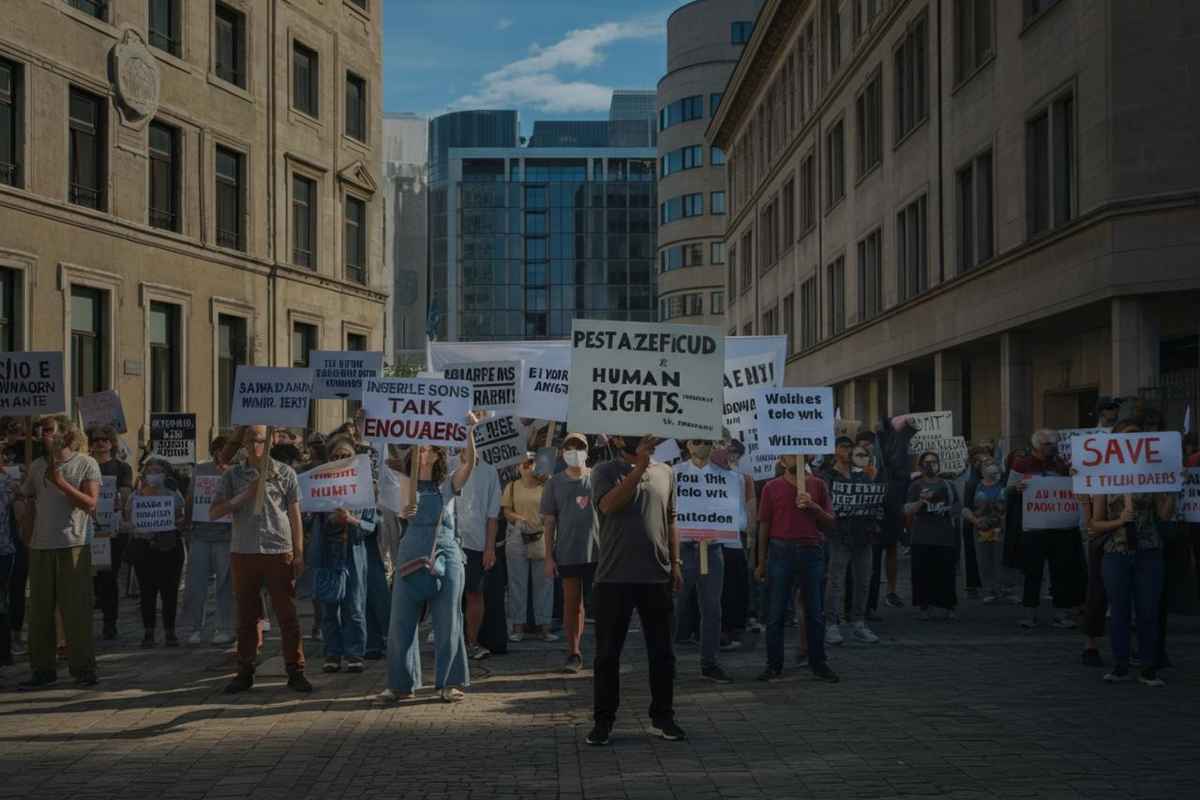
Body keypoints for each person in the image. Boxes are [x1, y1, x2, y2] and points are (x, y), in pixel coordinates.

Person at [587, 434, 684, 746]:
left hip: (656, 575)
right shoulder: (603, 470)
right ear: (617, 439)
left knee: (663, 653)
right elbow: (609, 505)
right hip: (614, 577)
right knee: (606, 656)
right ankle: (603, 722)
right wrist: (639, 467)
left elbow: (671, 519)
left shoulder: (666, 472)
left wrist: (676, 561)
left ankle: (663, 717)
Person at [377, 416, 479, 703]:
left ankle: (450, 682)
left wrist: (470, 430)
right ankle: (401, 684)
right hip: (410, 555)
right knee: (400, 622)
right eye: (418, 449)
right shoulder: (403, 481)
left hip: (445, 556)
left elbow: (469, 463)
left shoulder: (446, 485)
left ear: (437, 455)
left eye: (427, 449)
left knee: (448, 623)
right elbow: (395, 512)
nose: (422, 454)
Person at [212, 425, 311, 694]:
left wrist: (298, 552)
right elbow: (214, 511)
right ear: (244, 443)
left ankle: (295, 669)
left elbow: (294, 515)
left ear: (271, 441)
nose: (257, 446)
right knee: (246, 616)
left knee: (287, 614)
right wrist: (245, 495)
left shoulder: (284, 473)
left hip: (278, 549)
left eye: (261, 440)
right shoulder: (234, 475)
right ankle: (244, 670)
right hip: (244, 551)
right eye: (251, 441)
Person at [17, 415, 101, 688]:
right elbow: (29, 499)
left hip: (73, 545)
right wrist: (26, 535)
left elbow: (90, 503)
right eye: (41, 431)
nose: (44, 435)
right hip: (41, 546)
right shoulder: (37, 465)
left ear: (66, 434)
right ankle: (42, 669)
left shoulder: (85, 463)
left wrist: (61, 482)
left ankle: (83, 668)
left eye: (50, 430)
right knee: (39, 611)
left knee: (76, 610)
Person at [1088, 424, 1174, 686]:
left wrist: (1172, 487)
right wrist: (1118, 522)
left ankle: (1148, 668)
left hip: (1149, 551)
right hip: (1116, 552)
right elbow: (1094, 524)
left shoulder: (1152, 476)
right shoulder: (1105, 479)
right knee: (1120, 611)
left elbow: (1164, 514)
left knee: (1148, 611)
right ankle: (1120, 665)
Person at [755, 454, 839, 683]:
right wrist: (761, 561)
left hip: (811, 551)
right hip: (780, 551)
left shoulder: (818, 484)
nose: (796, 458)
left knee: (815, 611)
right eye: (791, 454)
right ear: (782, 460)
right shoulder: (771, 487)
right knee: (776, 613)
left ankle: (818, 663)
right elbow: (764, 525)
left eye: (800, 453)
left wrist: (813, 507)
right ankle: (773, 665)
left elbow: (830, 522)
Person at [671, 439, 734, 683]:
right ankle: (666, 661)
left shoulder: (725, 477)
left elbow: (730, 509)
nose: (701, 447)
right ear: (688, 446)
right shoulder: (675, 474)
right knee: (675, 606)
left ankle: (710, 663)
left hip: (713, 547)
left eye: (706, 442)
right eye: (697, 442)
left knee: (712, 608)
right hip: (683, 548)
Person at [1009, 430, 1086, 630]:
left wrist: (1074, 476)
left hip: (1059, 529)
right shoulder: (1021, 464)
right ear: (1036, 446)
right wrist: (1016, 488)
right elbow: (1006, 489)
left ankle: (1062, 613)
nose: (1051, 447)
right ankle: (1030, 614)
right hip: (1033, 529)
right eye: (1047, 444)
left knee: (1061, 571)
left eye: (1054, 444)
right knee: (1032, 572)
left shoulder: (1061, 464)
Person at [308, 436, 370, 674]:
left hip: (352, 555)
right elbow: (307, 520)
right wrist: (322, 517)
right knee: (328, 607)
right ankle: (332, 653)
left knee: (353, 607)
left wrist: (351, 520)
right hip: (327, 555)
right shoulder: (320, 487)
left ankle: (355, 654)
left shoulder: (364, 488)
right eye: (336, 456)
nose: (341, 460)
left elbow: (371, 526)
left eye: (346, 455)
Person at [542, 432, 598, 673]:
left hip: (599, 552)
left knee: (601, 605)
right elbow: (549, 522)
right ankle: (573, 651)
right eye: (570, 447)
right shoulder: (554, 482)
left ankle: (605, 650)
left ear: (587, 450)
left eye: (579, 447)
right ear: (562, 452)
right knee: (572, 603)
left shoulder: (598, 476)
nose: (574, 451)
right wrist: (548, 556)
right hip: (567, 551)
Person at [823, 437, 882, 644]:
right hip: (840, 535)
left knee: (863, 581)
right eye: (844, 447)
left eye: (851, 448)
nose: (848, 451)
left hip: (863, 535)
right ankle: (831, 623)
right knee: (836, 581)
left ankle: (858, 622)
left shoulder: (862, 476)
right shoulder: (828, 476)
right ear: (835, 450)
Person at [129, 455, 187, 647]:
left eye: (158, 472)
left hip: (169, 547)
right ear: (144, 474)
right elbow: (127, 518)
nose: (153, 475)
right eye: (150, 471)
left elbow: (181, 518)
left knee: (170, 592)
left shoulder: (174, 494)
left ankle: (170, 631)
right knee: (147, 592)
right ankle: (148, 632)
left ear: (165, 474)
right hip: (144, 548)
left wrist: (176, 523)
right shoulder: (135, 496)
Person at [183, 436, 235, 645]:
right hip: (200, 534)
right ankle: (195, 628)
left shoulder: (238, 471)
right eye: (223, 450)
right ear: (215, 451)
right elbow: (190, 498)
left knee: (224, 584)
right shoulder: (200, 469)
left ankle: (223, 627)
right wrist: (187, 522)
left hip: (227, 535)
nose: (225, 454)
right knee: (196, 584)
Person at [454, 441, 500, 660]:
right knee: (450, 595)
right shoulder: (448, 465)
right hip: (450, 540)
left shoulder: (490, 472)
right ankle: (451, 642)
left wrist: (489, 547)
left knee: (474, 592)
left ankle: (472, 641)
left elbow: (493, 515)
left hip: (476, 543)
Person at [503, 453, 555, 642]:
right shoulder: (511, 487)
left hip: (541, 537)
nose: (526, 465)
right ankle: (518, 627)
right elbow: (506, 511)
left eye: (530, 462)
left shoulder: (547, 487)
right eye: (522, 462)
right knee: (516, 584)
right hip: (518, 537)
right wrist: (519, 519)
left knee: (545, 584)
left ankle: (545, 627)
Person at [88, 425, 133, 640]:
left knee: (109, 576)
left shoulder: (122, 468)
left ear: (111, 443)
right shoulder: (84, 465)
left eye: (104, 439)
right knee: (91, 578)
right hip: (87, 529)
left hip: (112, 531)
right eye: (95, 439)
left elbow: (125, 494)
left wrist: (116, 501)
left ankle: (110, 622)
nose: (100, 443)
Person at [868, 419, 917, 616]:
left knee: (890, 549)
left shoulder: (897, 455)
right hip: (878, 507)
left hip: (893, 505)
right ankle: (870, 600)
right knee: (874, 555)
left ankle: (890, 592)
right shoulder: (875, 456)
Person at [905, 452, 962, 620]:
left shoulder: (948, 485)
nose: (931, 465)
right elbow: (907, 510)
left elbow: (958, 507)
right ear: (921, 465)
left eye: (934, 462)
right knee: (922, 574)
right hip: (921, 536)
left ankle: (948, 607)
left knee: (946, 573)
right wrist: (921, 501)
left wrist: (947, 510)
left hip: (944, 536)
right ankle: (925, 607)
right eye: (927, 462)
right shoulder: (915, 485)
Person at [962, 459, 1011, 604]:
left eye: (993, 464)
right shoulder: (973, 486)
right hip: (980, 528)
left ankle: (1000, 589)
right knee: (983, 560)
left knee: (999, 559)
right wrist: (975, 521)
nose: (992, 467)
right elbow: (965, 508)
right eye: (988, 465)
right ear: (981, 470)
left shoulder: (1004, 485)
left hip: (1001, 529)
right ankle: (988, 590)